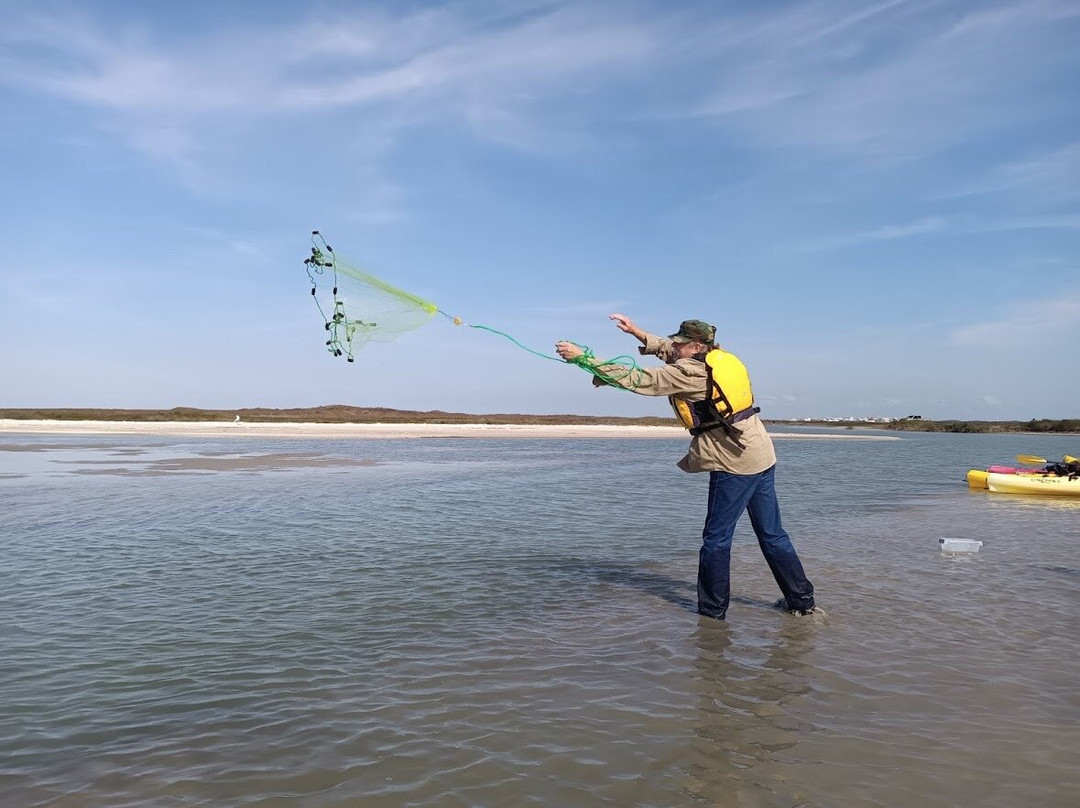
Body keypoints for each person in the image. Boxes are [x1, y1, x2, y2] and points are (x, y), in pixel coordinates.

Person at [555, 314, 820, 620]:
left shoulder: (689, 373)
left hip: (733, 461)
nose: (674, 347)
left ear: (695, 346)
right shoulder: (719, 358)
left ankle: (711, 615)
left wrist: (584, 359)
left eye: (681, 343)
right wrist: (636, 332)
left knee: (716, 540)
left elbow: (642, 380)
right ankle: (802, 603)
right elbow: (669, 349)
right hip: (761, 454)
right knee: (772, 534)